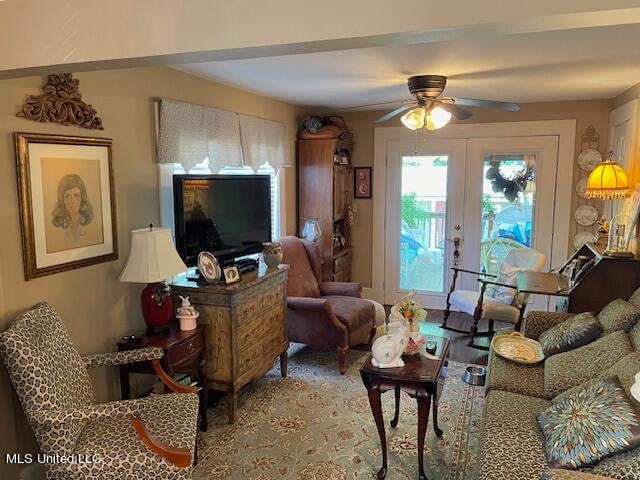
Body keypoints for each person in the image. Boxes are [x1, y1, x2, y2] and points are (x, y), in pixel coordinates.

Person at [51, 174, 94, 242]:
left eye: (76, 195)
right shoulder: (56, 231)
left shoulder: (91, 227)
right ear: (62, 200)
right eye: (67, 196)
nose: (72, 200)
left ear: (82, 198)